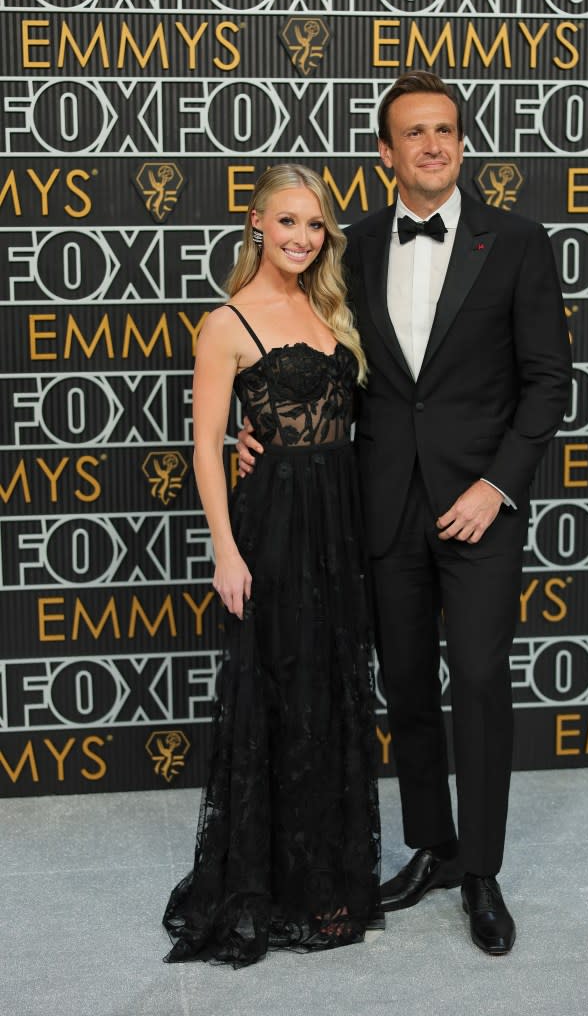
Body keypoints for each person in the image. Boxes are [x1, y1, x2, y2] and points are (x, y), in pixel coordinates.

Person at [237, 72, 572, 956]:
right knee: (410, 691)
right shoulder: (354, 246)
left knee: (480, 682)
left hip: (479, 508)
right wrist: (255, 435)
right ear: (385, 153)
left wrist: (496, 485)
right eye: (413, 133)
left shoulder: (519, 243)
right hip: (378, 505)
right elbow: (300, 355)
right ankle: (432, 846)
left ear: (461, 143)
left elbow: (547, 382)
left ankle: (483, 871)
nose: (432, 144)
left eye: (446, 130)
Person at [162, 164, 381, 968]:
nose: (300, 238)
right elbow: (207, 447)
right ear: (255, 223)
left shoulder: (329, 307)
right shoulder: (224, 321)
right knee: (277, 687)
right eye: (286, 222)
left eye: (314, 225)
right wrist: (225, 547)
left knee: (330, 684)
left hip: (339, 518)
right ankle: (266, 885)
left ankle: (324, 879)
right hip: (274, 525)